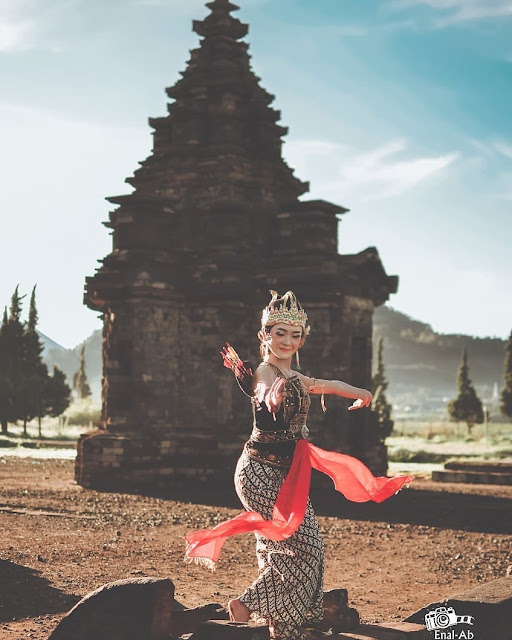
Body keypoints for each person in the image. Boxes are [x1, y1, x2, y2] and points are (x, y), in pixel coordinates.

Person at [185, 291, 413, 640]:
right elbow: (262, 390)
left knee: (285, 546)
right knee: (307, 547)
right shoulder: (265, 371)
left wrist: (359, 392)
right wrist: (268, 399)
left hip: (287, 473)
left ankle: (280, 625)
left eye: (295, 335)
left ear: (301, 338)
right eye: (280, 333)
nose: (288, 341)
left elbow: (324, 385)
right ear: (265, 336)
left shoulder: (293, 375)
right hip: (259, 473)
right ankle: (250, 606)